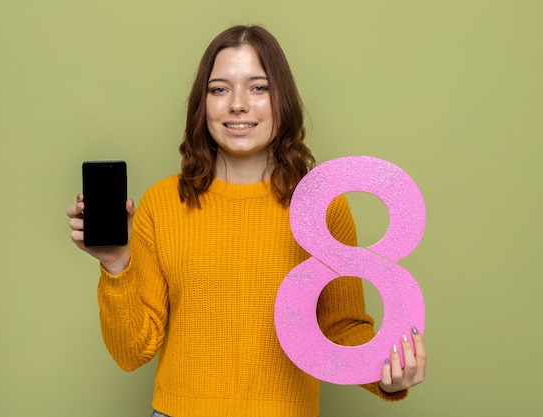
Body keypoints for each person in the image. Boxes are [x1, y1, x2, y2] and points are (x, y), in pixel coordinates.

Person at [66, 24, 426, 417]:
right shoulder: (162, 203)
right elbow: (132, 351)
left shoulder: (324, 205)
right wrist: (116, 263)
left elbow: (340, 326)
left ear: (282, 99)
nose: (238, 104)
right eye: (220, 89)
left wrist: (386, 374)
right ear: (201, 105)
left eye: (258, 87)